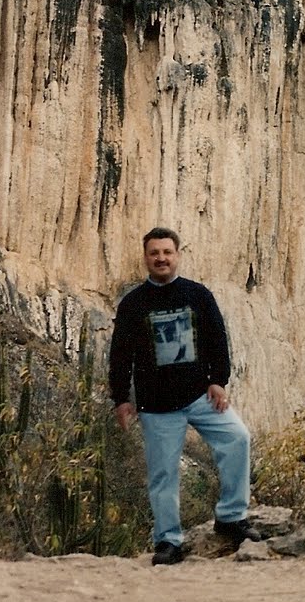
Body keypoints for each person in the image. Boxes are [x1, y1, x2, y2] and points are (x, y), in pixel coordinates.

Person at [108, 227, 260, 565]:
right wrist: (121, 399)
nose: (161, 258)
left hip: (199, 396)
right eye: (154, 253)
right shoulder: (134, 304)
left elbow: (218, 341)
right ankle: (168, 541)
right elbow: (120, 355)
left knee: (237, 439)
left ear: (177, 255)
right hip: (157, 405)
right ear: (146, 258)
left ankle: (232, 516)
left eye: (167, 252)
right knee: (163, 474)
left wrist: (218, 381)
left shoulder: (197, 295)